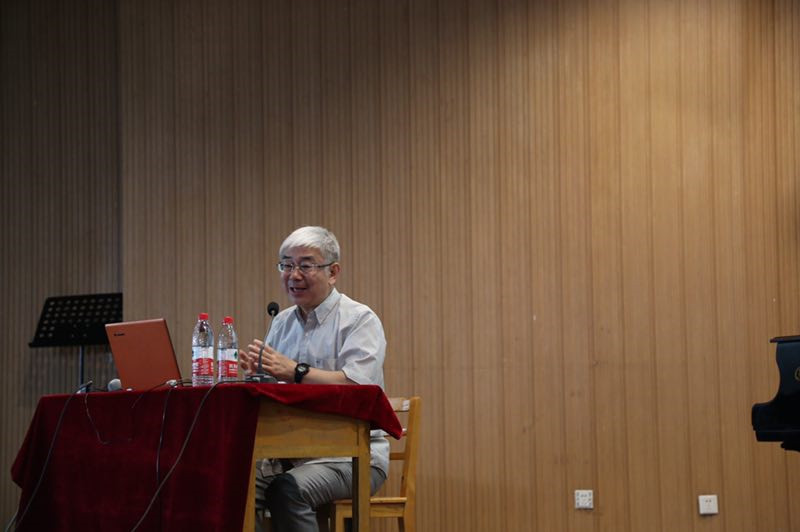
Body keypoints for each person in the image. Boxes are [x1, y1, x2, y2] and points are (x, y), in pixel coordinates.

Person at [239, 226, 388, 532]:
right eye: (286, 265)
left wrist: (295, 371)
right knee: (235, 485)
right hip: (289, 454)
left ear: (333, 272)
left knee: (287, 490)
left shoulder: (359, 320)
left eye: (305, 266)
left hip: (353, 457)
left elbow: (358, 386)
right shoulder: (281, 323)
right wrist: (259, 375)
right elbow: (278, 392)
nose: (293, 275)